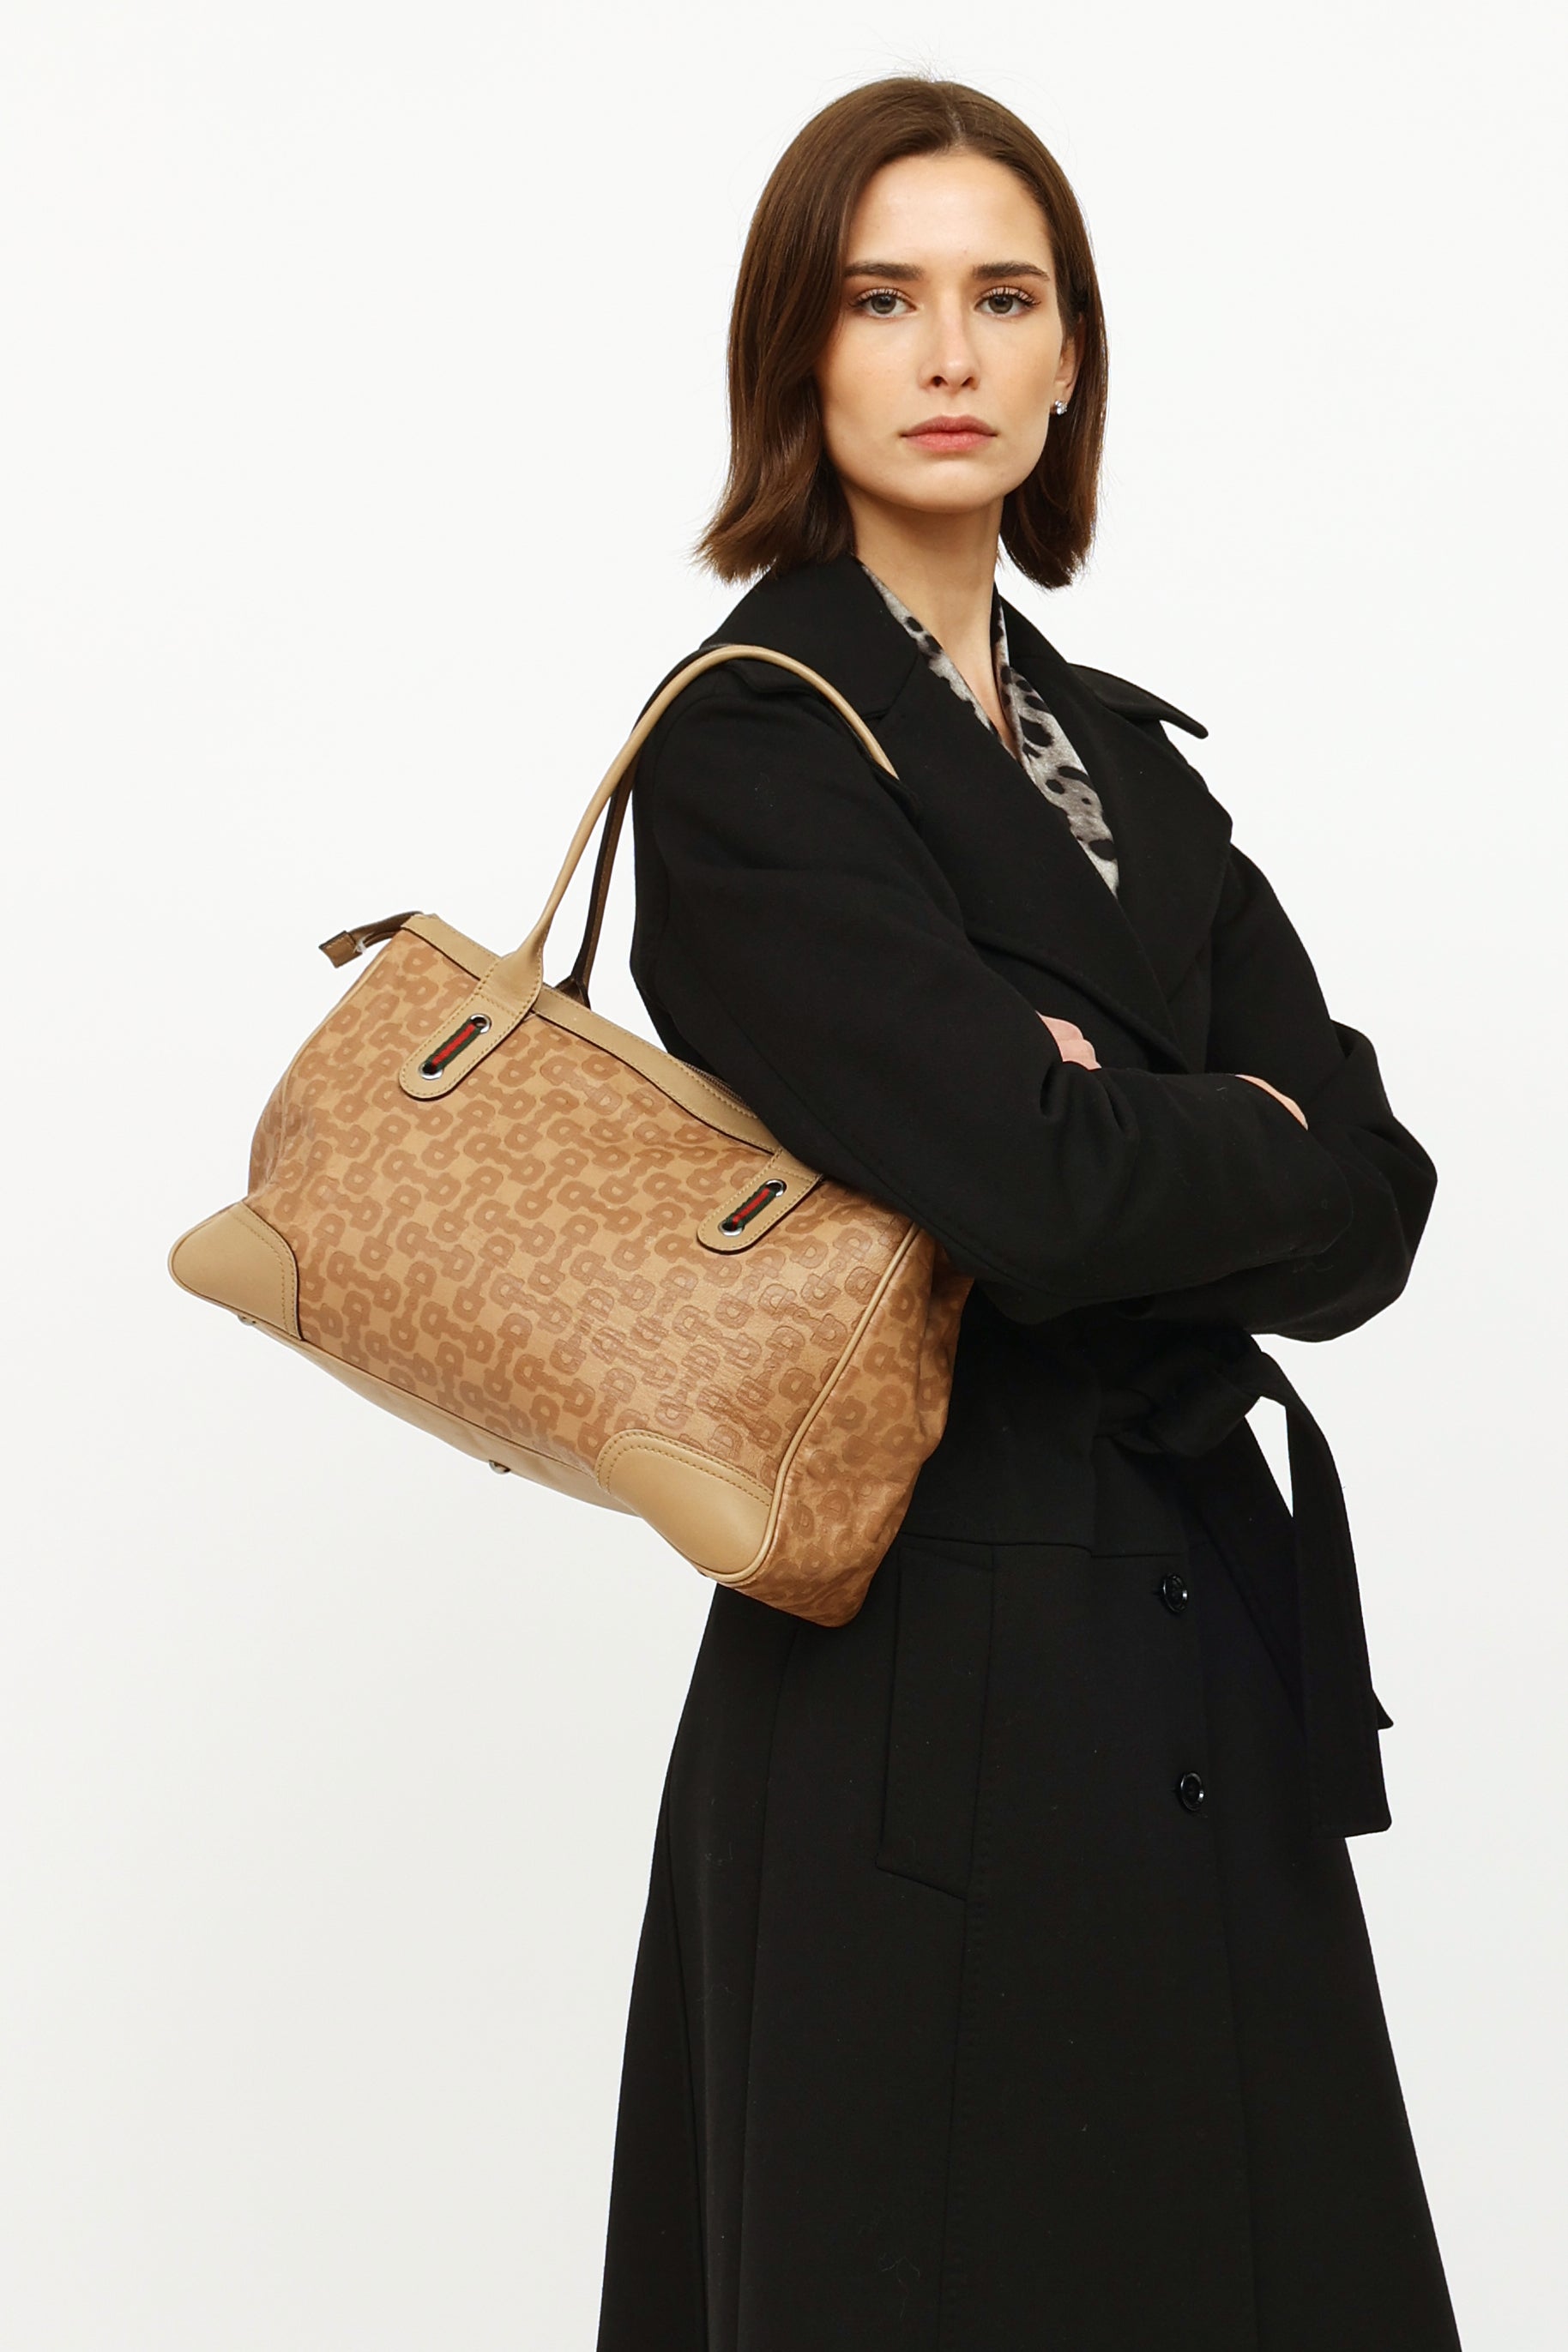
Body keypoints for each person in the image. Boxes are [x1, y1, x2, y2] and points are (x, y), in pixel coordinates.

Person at [594, 76, 1461, 2351]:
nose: (951, 354)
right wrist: (1211, 1130)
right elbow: (1039, 1192)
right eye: (884, 299)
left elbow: (1375, 1199)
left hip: (1196, 1663)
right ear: (798, 350)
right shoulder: (754, 742)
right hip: (919, 1689)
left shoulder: (1126, 760)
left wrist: (1141, 1124)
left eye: (1004, 297)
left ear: (1072, 355)